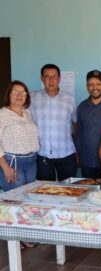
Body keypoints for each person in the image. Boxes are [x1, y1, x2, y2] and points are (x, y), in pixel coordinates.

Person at [0, 80, 39, 249]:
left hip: (31, 161)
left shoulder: (27, 113)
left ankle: (25, 234)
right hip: (12, 162)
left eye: (23, 93)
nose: (19, 96)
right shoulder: (2, 114)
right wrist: (5, 167)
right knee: (15, 201)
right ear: (8, 94)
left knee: (28, 199)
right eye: (15, 92)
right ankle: (15, 238)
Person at [30, 64, 77, 181]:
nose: (51, 80)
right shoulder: (32, 98)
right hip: (43, 154)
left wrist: (78, 151)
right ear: (41, 78)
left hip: (67, 153)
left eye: (54, 76)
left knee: (69, 190)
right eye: (47, 76)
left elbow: (75, 123)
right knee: (45, 190)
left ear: (59, 78)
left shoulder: (70, 99)